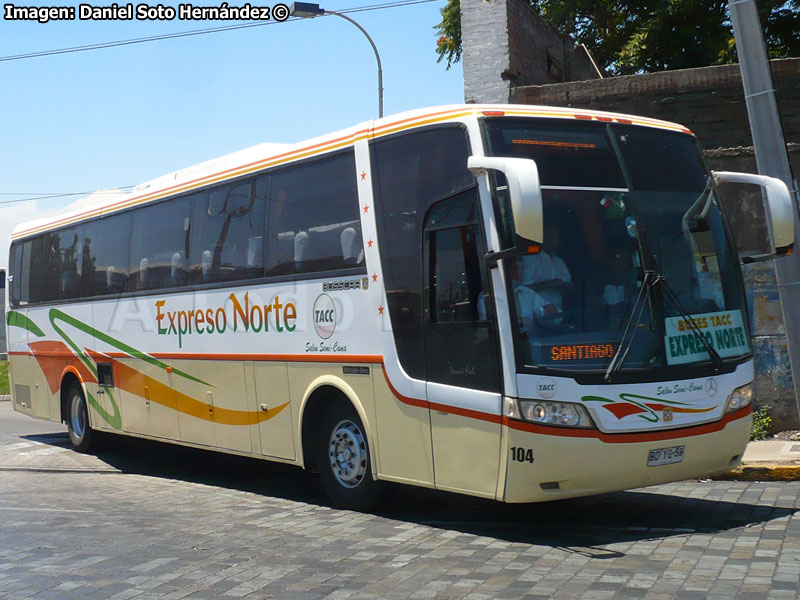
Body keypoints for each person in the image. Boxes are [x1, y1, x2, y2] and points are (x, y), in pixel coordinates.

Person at [519, 228, 573, 324]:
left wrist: (566, 288)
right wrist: (549, 285)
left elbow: (570, 286)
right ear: (541, 239)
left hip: (558, 315)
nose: (554, 240)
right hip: (535, 317)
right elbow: (521, 290)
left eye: (556, 237)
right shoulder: (530, 260)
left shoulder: (559, 262)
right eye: (550, 237)